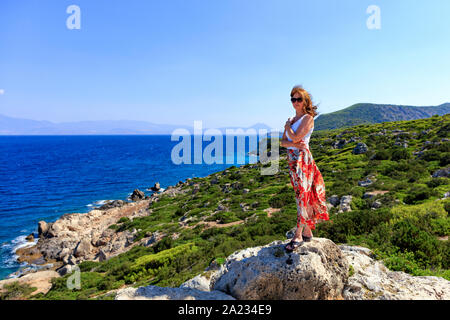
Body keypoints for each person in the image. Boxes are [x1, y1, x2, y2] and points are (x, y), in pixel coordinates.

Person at [280, 85, 330, 252]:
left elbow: (295, 137)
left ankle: (299, 234)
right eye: (293, 99)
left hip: (303, 160)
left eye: (298, 99)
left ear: (305, 101)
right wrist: (292, 141)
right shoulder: (292, 119)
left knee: (303, 195)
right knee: (300, 195)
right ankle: (308, 231)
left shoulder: (308, 118)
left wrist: (288, 130)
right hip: (292, 160)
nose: (295, 102)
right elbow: (283, 143)